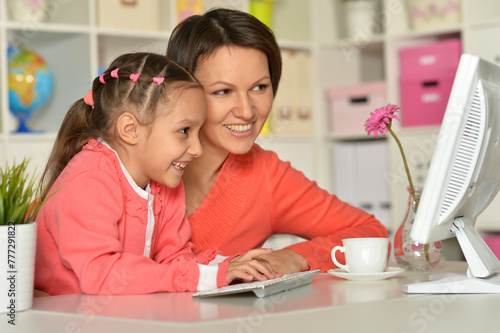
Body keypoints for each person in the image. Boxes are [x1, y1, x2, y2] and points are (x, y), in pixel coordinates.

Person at [34, 52, 279, 296]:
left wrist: (229, 267)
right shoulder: (89, 180)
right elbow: (103, 276)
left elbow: (174, 262)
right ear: (130, 130)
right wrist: (208, 276)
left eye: (197, 131)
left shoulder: (164, 182)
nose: (197, 149)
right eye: (184, 130)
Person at [166, 8, 389, 274]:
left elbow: (371, 234)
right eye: (223, 91)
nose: (247, 111)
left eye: (260, 87)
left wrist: (296, 257)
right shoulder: (135, 160)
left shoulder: (267, 176)